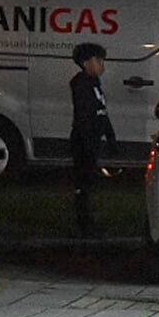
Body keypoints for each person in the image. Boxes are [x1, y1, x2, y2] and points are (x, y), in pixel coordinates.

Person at [70, 42, 116, 235]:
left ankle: (88, 221)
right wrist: (89, 143)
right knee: (84, 183)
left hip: (93, 139)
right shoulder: (82, 85)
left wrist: (110, 137)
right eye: (99, 61)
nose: (102, 66)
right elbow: (85, 116)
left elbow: (101, 112)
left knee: (89, 182)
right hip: (84, 140)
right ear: (86, 63)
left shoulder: (94, 84)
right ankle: (84, 224)